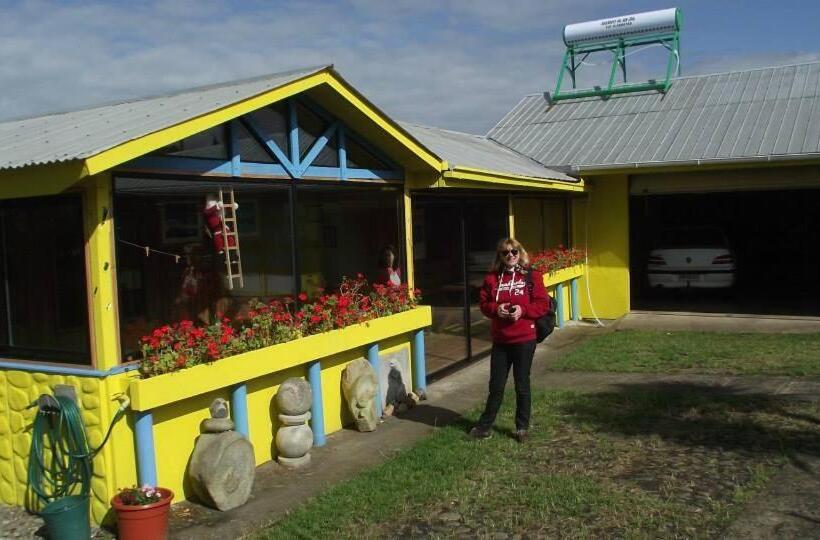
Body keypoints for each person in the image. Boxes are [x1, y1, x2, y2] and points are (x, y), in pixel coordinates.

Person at [470, 237, 550, 443]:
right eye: (505, 252)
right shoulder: (492, 278)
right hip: (501, 340)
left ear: (520, 252)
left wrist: (522, 310)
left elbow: (543, 304)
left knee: (522, 384)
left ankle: (522, 428)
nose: (510, 255)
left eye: (514, 251)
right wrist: (497, 309)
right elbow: (484, 304)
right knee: (496, 385)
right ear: (500, 256)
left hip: (524, 338)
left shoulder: (531, 276)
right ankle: (484, 427)